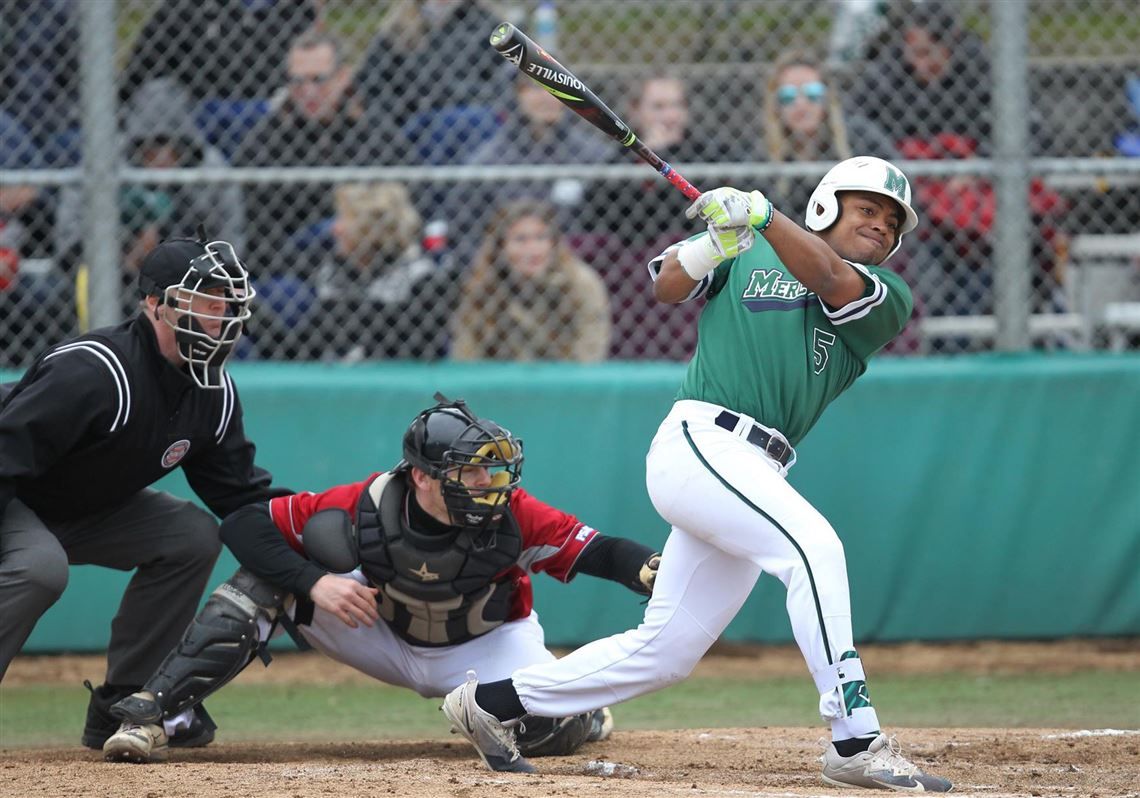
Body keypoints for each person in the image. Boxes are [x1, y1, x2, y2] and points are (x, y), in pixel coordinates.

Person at [440, 156, 954, 792]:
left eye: (890, 220)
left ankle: (493, 702)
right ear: (827, 206)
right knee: (813, 549)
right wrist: (715, 244)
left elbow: (827, 277)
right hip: (704, 440)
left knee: (667, 649)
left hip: (758, 466)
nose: (879, 226)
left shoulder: (885, 295)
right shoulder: (750, 252)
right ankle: (855, 737)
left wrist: (764, 215)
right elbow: (667, 284)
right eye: (867, 209)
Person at [101, 394, 661, 765]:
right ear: (421, 476)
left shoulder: (514, 513)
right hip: (380, 632)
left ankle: (582, 716)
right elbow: (246, 524)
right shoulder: (366, 503)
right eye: (468, 471)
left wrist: (645, 568)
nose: (488, 483)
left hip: (484, 647)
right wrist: (314, 581)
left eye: (492, 470)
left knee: (548, 731)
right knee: (262, 582)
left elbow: (597, 550)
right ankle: (161, 712)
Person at [0, 234, 289, 753]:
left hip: (76, 508)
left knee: (192, 535)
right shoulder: (94, 370)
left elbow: (242, 498)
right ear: (156, 304)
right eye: (204, 301)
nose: (220, 317)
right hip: (12, 491)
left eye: (227, 304)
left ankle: (124, 703)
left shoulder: (212, 390)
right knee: (40, 567)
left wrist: (325, 522)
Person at [233, 31, 391, 273]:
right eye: (297, 81)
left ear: (343, 77)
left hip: (365, 263)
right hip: (289, 265)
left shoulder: (373, 129)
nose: (307, 91)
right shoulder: (267, 136)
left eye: (318, 79)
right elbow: (259, 227)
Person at [279, 181, 458, 361]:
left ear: (369, 229)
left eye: (344, 219)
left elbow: (415, 344)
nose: (335, 229)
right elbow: (306, 344)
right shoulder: (335, 272)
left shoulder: (421, 276)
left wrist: (350, 313)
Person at [451, 201, 611, 362]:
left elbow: (591, 350)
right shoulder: (482, 285)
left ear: (553, 243)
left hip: (564, 378)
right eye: (520, 239)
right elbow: (465, 353)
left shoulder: (581, 283)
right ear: (501, 246)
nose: (532, 249)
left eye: (540, 238)